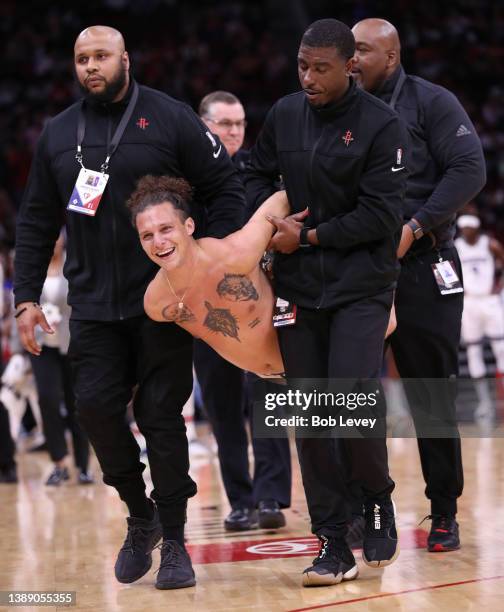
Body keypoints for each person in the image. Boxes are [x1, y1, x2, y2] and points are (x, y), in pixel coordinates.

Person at [14, 25, 244, 591]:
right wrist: (24, 297)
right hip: (91, 304)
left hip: (164, 303)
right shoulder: (58, 133)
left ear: (126, 60)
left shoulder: (169, 118)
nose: (90, 66)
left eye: (101, 57)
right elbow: (37, 220)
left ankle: (176, 540)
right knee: (92, 411)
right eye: (81, 58)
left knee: (161, 418)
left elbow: (226, 189)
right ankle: (140, 515)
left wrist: (203, 259)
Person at [245, 19, 407, 587]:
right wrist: (266, 224)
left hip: (360, 286)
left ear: (350, 67)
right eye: (301, 66)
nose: (308, 78)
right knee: (310, 420)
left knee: (351, 404)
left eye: (320, 68)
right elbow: (254, 173)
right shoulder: (286, 114)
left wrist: (308, 237)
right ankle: (333, 542)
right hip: (296, 289)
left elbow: (383, 215)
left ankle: (378, 497)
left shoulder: (381, 125)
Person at [351, 18, 486, 552]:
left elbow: (469, 168)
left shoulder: (433, 102)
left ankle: (445, 511)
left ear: (391, 54)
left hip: (422, 265)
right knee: (356, 394)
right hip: (357, 268)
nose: (352, 59)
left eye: (361, 50)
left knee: (431, 394)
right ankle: (368, 507)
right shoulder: (342, 107)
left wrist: (417, 225)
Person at [197, 90, 291, 531]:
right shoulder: (189, 175)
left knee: (269, 400)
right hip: (206, 311)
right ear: (204, 125)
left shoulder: (260, 171)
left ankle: (271, 496)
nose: (234, 131)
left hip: (260, 302)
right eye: (224, 124)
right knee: (222, 406)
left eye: (238, 124)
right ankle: (240, 498)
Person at [130, 175, 288, 374]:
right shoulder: (157, 303)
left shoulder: (235, 253)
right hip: (265, 381)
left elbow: (282, 198)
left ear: (189, 226)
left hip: (312, 367)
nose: (158, 242)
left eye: (166, 229)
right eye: (147, 236)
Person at [28, 233, 93, 486]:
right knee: (47, 400)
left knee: (76, 403)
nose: (53, 241)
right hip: (42, 345)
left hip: (70, 342)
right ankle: (59, 463)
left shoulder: (73, 263)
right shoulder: (33, 266)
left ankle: (83, 466)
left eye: (56, 237)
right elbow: (21, 304)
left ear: (63, 240)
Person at [455, 214, 504, 379]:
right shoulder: (457, 246)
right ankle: (484, 402)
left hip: (489, 299)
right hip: (469, 301)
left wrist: (500, 286)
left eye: (468, 228)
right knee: (473, 348)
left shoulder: (489, 244)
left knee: (500, 346)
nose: (465, 231)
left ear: (476, 229)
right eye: (462, 229)